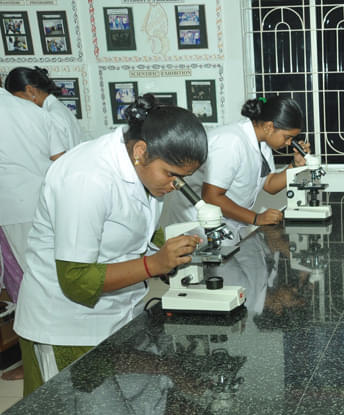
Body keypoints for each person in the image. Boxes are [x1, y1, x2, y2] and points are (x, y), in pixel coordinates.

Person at [13, 94, 208, 396]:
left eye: (182, 179)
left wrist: (172, 247)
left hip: (115, 316)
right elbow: (75, 280)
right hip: (66, 325)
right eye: (172, 175)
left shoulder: (141, 169)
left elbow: (133, 229)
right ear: (141, 150)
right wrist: (154, 265)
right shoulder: (86, 177)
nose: (174, 186)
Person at [161, 95, 309, 240]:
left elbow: (270, 185)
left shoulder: (262, 144)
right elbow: (211, 196)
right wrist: (256, 218)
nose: (289, 143)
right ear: (269, 127)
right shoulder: (231, 142)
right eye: (287, 137)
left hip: (228, 221)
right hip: (197, 221)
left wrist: (295, 165)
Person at [0, 76, 65, 381]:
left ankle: (42, 364)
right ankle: (48, 360)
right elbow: (61, 161)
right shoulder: (33, 110)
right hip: (43, 204)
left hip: (12, 208)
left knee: (26, 286)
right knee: (44, 278)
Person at [4, 66, 81, 150]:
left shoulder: (51, 116)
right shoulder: (58, 108)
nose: (19, 104)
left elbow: (57, 155)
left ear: (30, 90)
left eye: (18, 99)